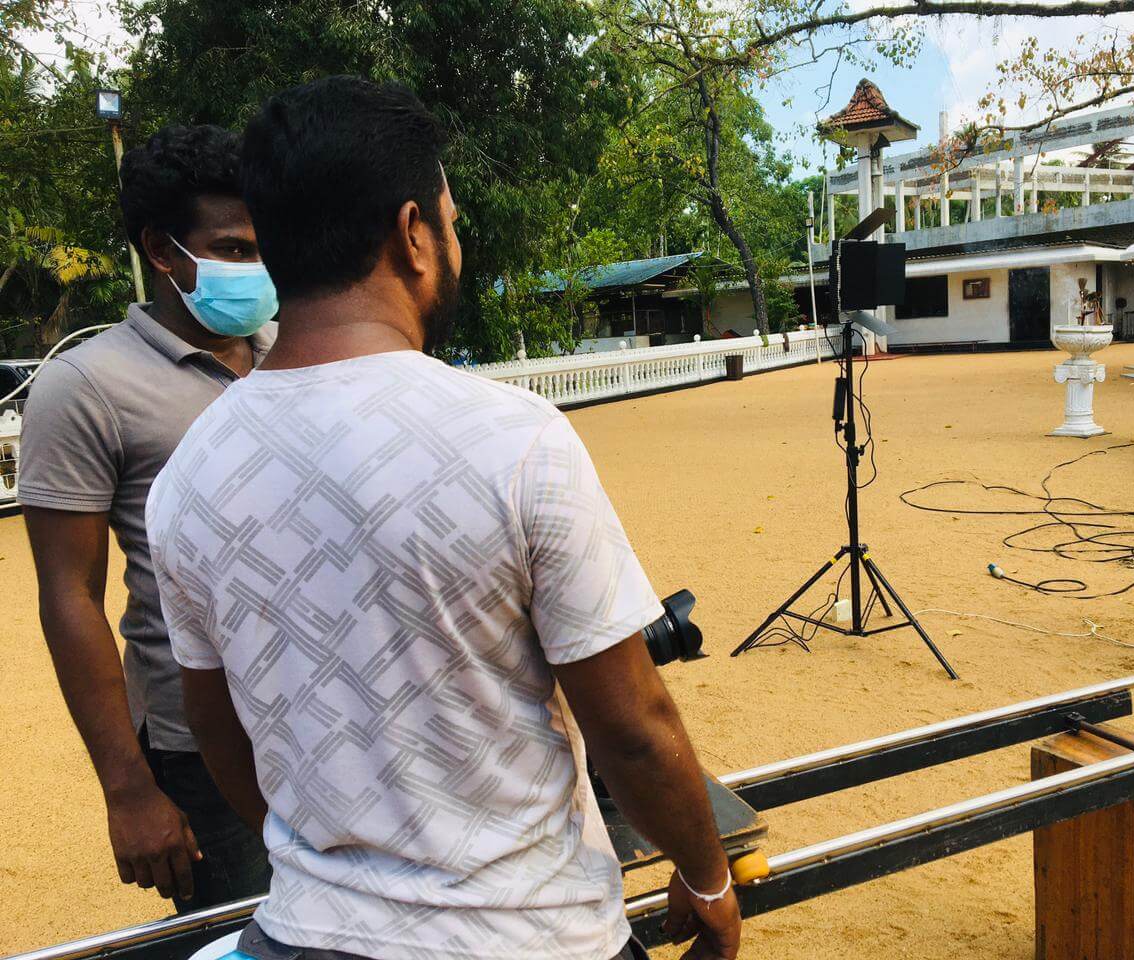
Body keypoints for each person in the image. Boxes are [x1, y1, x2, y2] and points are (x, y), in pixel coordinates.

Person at [145, 76, 741, 960]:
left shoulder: (189, 475)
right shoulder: (513, 439)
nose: (453, 241)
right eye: (452, 222)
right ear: (413, 234)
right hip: (532, 936)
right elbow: (632, 729)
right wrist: (707, 875)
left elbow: (217, 725)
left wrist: (338, 872)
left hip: (308, 936)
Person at [19, 125, 278, 909]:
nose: (257, 267)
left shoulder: (296, 350)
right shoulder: (85, 388)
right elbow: (70, 595)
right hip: (201, 747)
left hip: (328, 719)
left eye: (264, 246)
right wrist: (129, 789)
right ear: (162, 251)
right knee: (251, 937)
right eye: (232, 250)